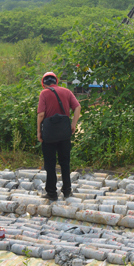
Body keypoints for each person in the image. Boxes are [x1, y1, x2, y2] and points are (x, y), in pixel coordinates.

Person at [36, 71, 81, 201]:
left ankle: (52, 193)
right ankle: (67, 191)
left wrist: (39, 131)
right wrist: (73, 124)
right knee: (65, 162)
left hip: (49, 135)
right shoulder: (66, 92)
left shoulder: (44, 93)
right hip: (64, 133)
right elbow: (77, 107)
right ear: (56, 81)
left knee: (50, 164)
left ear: (44, 84)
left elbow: (41, 115)